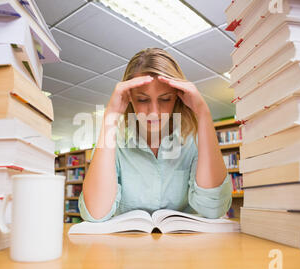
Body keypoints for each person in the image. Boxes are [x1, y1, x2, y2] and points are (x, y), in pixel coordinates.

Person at [78, 47, 232, 222]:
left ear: (177, 97)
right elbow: (95, 213)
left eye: (165, 99)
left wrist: (203, 113)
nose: (154, 112)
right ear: (129, 98)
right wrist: (110, 116)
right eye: (142, 100)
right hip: (128, 247)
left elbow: (214, 209)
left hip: (185, 248)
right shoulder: (116, 144)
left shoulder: (194, 142)